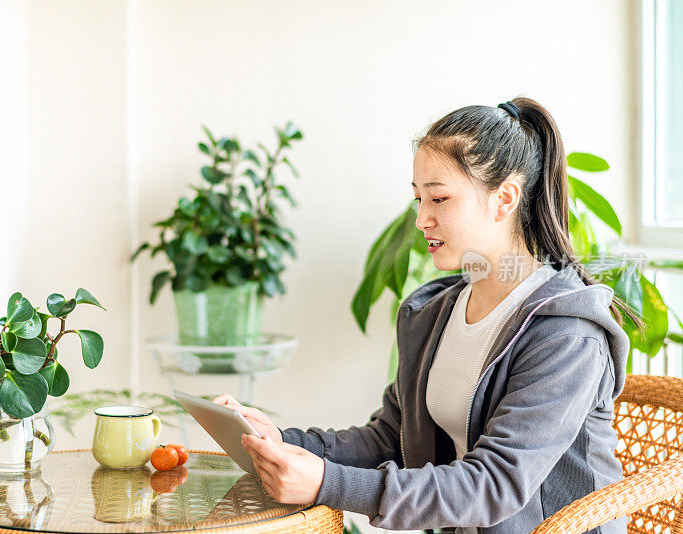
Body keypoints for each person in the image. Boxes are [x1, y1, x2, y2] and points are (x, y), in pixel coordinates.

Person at [212, 96, 640, 533]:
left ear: (505, 198)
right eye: (419, 198)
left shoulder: (567, 333)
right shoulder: (436, 312)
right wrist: (283, 442)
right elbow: (390, 439)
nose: (421, 219)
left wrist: (327, 483)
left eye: (438, 199)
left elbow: (495, 484)